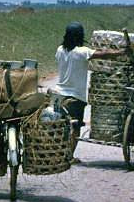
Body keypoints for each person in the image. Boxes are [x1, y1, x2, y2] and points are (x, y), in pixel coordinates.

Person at [52, 22, 126, 161]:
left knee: (58, 125)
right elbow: (104, 54)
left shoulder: (60, 50)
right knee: (75, 127)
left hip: (58, 94)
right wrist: (121, 52)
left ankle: (57, 153)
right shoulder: (82, 52)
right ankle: (69, 156)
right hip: (75, 96)